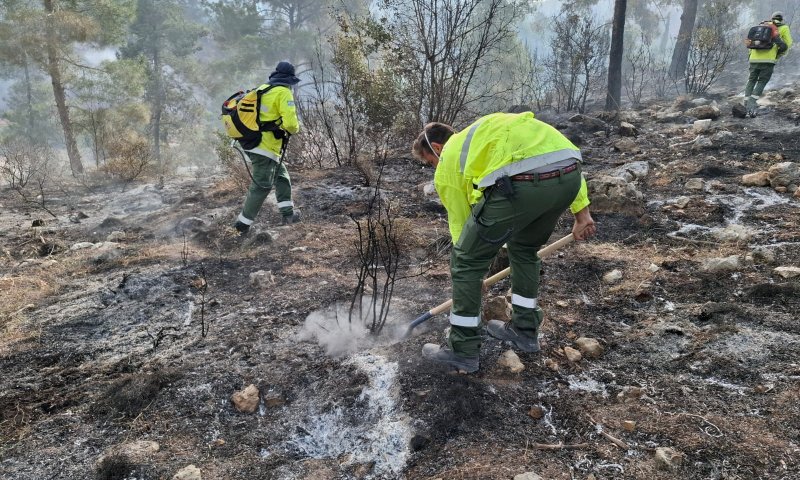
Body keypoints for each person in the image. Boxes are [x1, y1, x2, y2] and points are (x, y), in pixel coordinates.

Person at [412, 112, 596, 373]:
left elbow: (462, 228)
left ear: (438, 148)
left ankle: (462, 351)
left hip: (523, 183)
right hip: (569, 174)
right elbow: (553, 157)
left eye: (431, 162)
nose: (435, 168)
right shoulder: (487, 137)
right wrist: (582, 214)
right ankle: (524, 331)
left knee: (465, 262)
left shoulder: (451, 159)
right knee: (524, 249)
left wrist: (472, 275)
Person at [233, 61, 302, 235]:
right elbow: (291, 124)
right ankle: (242, 226)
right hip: (265, 146)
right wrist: (293, 129)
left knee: (281, 176)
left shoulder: (263, 88)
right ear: (289, 79)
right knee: (262, 185)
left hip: (253, 142)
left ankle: (288, 214)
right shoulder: (284, 92)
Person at [744, 11, 793, 115]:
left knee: (751, 80)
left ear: (772, 18)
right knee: (762, 81)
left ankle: (746, 101)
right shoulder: (784, 27)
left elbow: (751, 44)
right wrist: (777, 55)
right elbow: (787, 44)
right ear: (781, 19)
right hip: (768, 60)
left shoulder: (763, 26)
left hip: (753, 59)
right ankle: (752, 103)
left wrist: (751, 57)